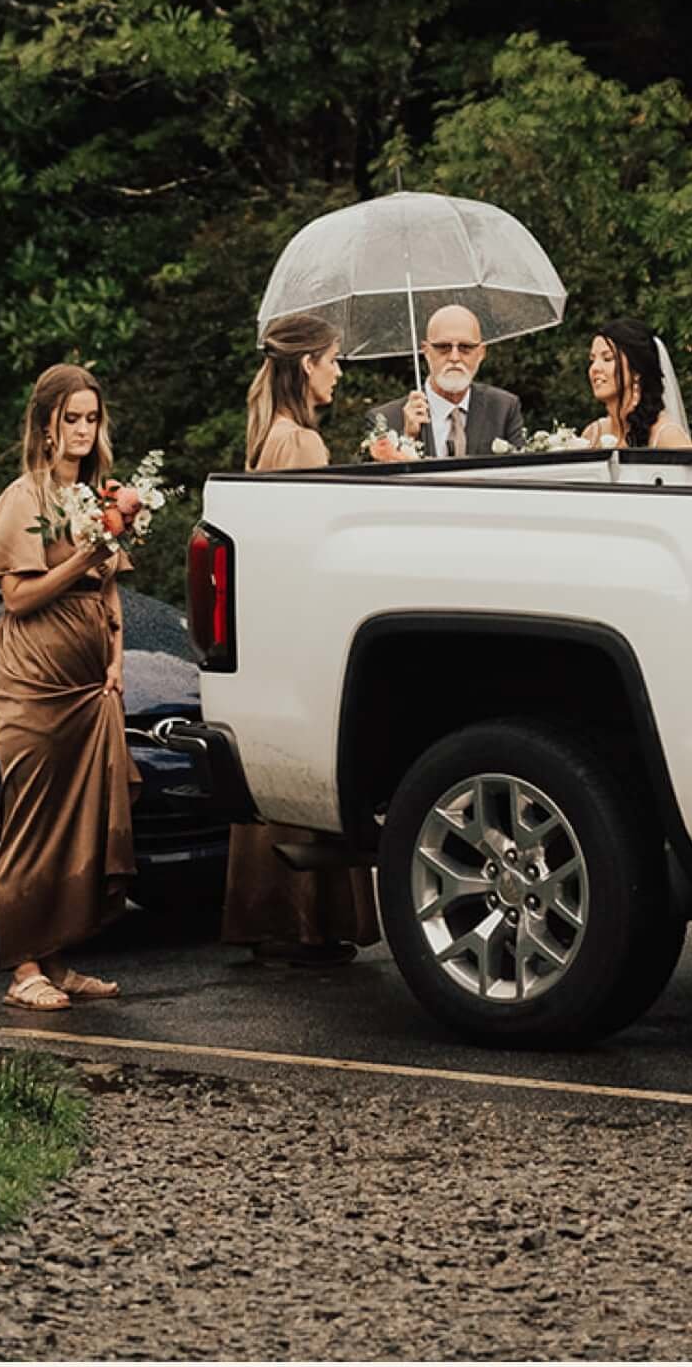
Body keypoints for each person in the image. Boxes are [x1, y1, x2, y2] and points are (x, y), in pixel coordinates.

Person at [0, 362, 140, 1011]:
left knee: (78, 822)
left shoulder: (103, 495)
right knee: (34, 820)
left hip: (89, 684)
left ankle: (58, 960)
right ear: (47, 425)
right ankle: (21, 969)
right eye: (71, 417)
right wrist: (81, 559)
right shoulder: (25, 497)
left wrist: (117, 659)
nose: (82, 429)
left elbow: (111, 588)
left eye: (91, 418)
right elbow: (17, 597)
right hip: (32, 680)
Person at [221, 312, 381, 966]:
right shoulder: (303, 445)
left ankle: (277, 917)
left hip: (267, 624)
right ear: (308, 364)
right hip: (301, 624)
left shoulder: (268, 437)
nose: (340, 371)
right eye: (334, 359)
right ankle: (307, 923)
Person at [369, 303, 527, 459]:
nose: (454, 357)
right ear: (426, 351)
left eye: (465, 347)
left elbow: (522, 475)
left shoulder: (503, 409)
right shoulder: (386, 420)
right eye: (443, 347)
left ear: (481, 353)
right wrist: (408, 438)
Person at [582, 318, 692, 450]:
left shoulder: (667, 436)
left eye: (607, 358)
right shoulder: (593, 434)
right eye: (592, 360)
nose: (594, 368)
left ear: (636, 370)